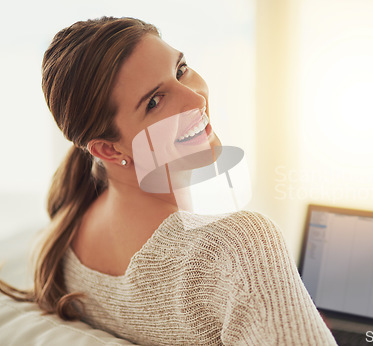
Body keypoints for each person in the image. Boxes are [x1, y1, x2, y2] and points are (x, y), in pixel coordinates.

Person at [0, 16, 337, 345]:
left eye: (180, 70)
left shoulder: (63, 239)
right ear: (106, 148)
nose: (196, 100)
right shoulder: (239, 245)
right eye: (154, 102)